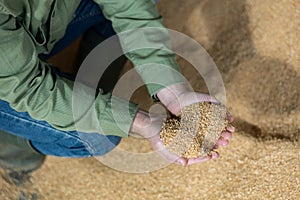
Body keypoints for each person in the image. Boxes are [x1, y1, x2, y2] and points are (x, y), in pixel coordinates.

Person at [0, 0, 234, 178]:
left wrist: (172, 89)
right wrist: (142, 122)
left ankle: (86, 85)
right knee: (96, 137)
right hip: (12, 80)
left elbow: (128, 6)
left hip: (32, 32)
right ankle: (8, 140)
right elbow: (31, 89)